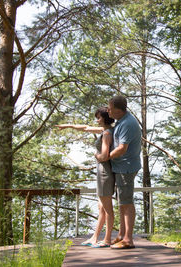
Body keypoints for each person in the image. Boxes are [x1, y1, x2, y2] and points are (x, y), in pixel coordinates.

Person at [55, 107, 115, 248]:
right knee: (101, 207)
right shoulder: (105, 130)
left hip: (105, 173)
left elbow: (105, 156)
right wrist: (68, 125)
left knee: (107, 209)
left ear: (105, 118)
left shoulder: (106, 133)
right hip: (103, 173)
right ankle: (94, 237)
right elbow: (86, 128)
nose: (97, 119)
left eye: (99, 117)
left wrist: (96, 155)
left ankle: (107, 240)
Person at [99, 95, 141, 249]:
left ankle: (128, 239)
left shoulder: (127, 124)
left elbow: (122, 148)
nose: (108, 111)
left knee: (126, 203)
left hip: (126, 167)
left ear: (118, 110)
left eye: (110, 109)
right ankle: (122, 235)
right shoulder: (122, 121)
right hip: (121, 167)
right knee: (122, 202)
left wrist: (105, 157)